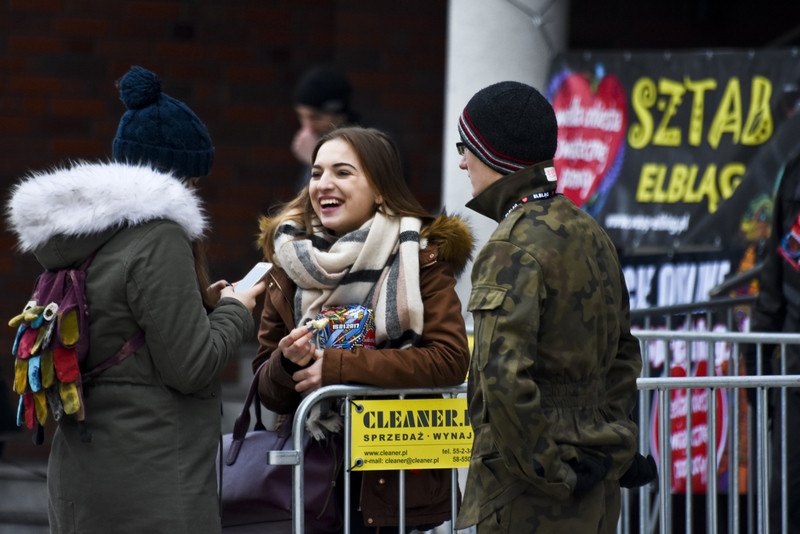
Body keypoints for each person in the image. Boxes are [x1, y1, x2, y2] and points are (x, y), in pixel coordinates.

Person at [5, 65, 265, 533]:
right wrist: (235, 311)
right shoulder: (158, 236)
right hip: (153, 485)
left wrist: (196, 305)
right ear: (174, 173)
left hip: (83, 483)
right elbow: (191, 367)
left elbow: (117, 326)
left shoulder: (79, 237)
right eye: (193, 178)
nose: (195, 190)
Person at [453, 81, 652, 533]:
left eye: (466, 147)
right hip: (596, 479)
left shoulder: (511, 246)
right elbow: (623, 356)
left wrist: (551, 472)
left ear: (496, 154)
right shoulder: (590, 231)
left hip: (532, 493)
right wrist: (613, 448)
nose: (462, 161)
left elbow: (501, 380)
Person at [253, 126, 473, 532]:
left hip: (393, 479)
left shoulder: (419, 258)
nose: (323, 184)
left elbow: (450, 360)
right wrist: (286, 364)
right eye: (316, 173)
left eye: (342, 172)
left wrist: (336, 370)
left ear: (381, 190)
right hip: (310, 478)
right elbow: (266, 390)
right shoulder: (288, 261)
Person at [745, 151, 800, 532]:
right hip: (794, 376)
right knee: (784, 501)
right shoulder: (796, 169)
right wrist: (756, 361)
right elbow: (778, 274)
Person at [291, 64, 359, 189]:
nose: (308, 127)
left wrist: (316, 160)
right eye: (301, 116)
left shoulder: (370, 144)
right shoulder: (320, 140)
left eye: (315, 117)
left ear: (340, 115)